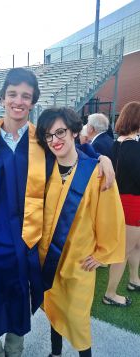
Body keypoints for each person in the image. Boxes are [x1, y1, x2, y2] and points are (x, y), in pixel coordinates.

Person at [0, 67, 114, 357]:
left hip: (27, 244)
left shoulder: (41, 142)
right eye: (12, 94)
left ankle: (15, 351)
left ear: (33, 102)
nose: (18, 101)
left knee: (21, 302)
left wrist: (102, 157)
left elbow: (70, 154)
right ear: (3, 97)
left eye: (26, 96)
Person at [35, 107, 125, 357]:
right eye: (49, 135)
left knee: (78, 320)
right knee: (54, 309)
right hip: (48, 259)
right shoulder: (44, 169)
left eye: (60, 131)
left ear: (75, 131)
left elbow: (111, 217)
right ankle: (55, 353)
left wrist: (102, 254)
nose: (55, 140)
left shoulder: (96, 172)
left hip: (78, 264)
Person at [103, 101, 140, 306]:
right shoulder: (133, 147)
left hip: (123, 200)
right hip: (132, 202)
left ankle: (134, 280)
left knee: (134, 246)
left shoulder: (116, 144)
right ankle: (110, 294)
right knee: (124, 250)